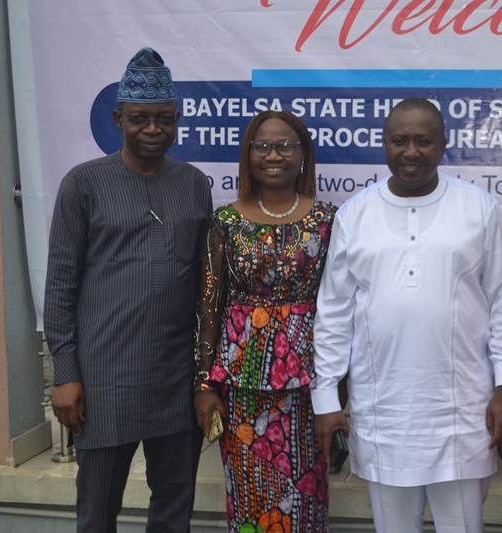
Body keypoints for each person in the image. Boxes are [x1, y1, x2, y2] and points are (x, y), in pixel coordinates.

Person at [311, 98, 502, 533]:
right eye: (399, 140)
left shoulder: (478, 208)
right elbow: (333, 313)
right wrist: (326, 398)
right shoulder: (355, 213)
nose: (411, 151)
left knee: (462, 526)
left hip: (462, 408)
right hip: (382, 409)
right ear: (383, 144)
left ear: (444, 144)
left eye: (424, 141)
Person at [45, 48, 212, 532]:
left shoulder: (193, 184)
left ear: (177, 119)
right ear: (119, 119)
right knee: (97, 514)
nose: (152, 129)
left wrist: (205, 379)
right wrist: (65, 374)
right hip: (103, 381)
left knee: (173, 511)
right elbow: (59, 286)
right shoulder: (84, 185)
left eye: (163, 118)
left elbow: (205, 285)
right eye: (139, 118)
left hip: (176, 380)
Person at [193, 110, 337, 532]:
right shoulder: (225, 222)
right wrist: (204, 384)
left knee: (307, 495)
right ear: (248, 156)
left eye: (286, 145)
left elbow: (343, 306)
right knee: (251, 491)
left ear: (303, 156)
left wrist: (341, 383)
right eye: (262, 146)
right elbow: (208, 306)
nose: (274, 155)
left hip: (312, 382)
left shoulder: (328, 220)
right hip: (240, 382)